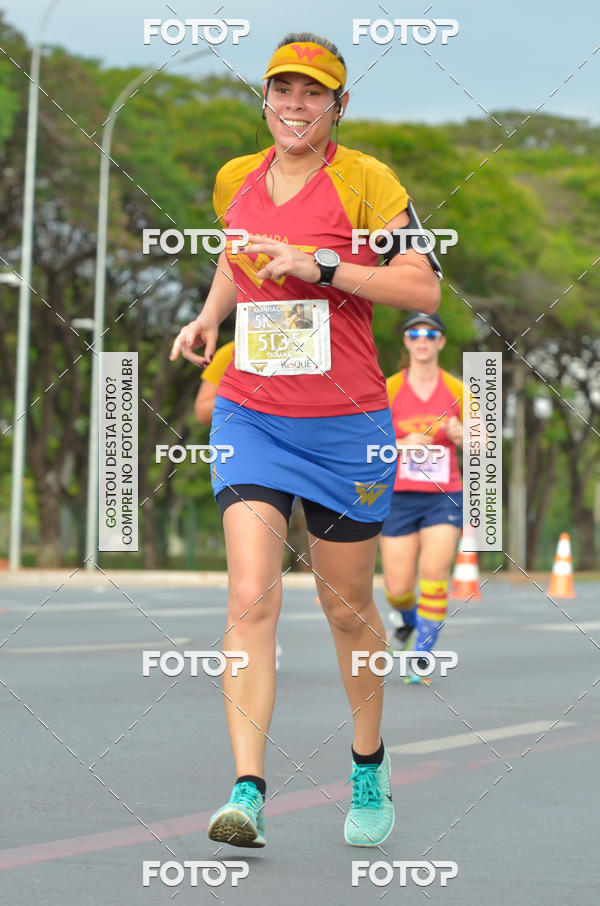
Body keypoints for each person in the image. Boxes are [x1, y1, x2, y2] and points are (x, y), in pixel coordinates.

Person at [170, 31, 440, 849]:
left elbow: (422, 284)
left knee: (346, 608)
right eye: (283, 91)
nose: (295, 105)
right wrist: (212, 316)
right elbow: (234, 257)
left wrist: (319, 266)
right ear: (266, 99)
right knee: (250, 593)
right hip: (251, 411)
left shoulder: (366, 181)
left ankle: (367, 763)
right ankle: (246, 790)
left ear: (338, 106)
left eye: (313, 93)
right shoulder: (235, 179)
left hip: (346, 425)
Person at [380, 311, 463, 684]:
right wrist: (401, 443)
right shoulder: (389, 388)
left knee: (434, 573)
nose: (423, 338)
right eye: (414, 333)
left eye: (431, 332)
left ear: (441, 342)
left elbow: (485, 446)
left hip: (444, 496)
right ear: (406, 342)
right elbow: (368, 443)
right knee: (397, 589)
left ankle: (422, 655)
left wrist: (464, 437)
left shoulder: (461, 391)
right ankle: (407, 620)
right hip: (397, 495)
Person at [194, 339, 283, 671]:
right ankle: (258, 633)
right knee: (252, 573)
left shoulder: (317, 337)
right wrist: (243, 392)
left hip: (312, 452)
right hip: (251, 456)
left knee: (342, 592)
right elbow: (202, 409)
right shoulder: (230, 352)